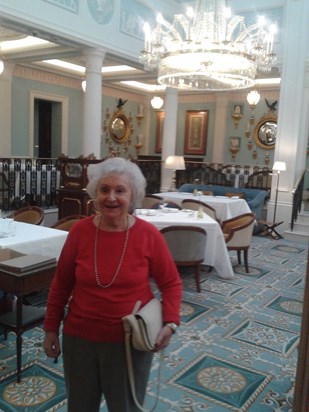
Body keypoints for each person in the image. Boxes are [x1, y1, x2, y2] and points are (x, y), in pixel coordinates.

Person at [42, 157, 182, 412]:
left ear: (133, 195)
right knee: (81, 406)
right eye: (104, 189)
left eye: (120, 190)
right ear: (95, 193)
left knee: (125, 407)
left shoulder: (148, 235)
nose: (111, 198)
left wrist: (170, 322)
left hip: (129, 341)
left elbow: (171, 282)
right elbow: (61, 284)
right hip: (79, 339)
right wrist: (50, 328)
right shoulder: (80, 232)